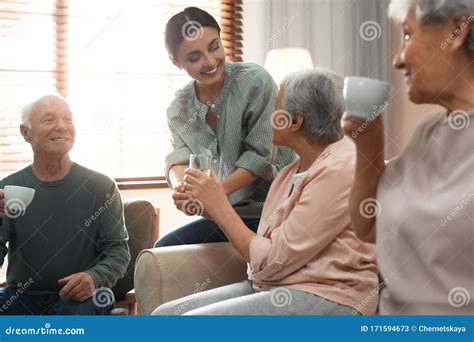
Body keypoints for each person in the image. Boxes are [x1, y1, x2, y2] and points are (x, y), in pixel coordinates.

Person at [152, 68, 379, 315]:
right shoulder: (288, 172)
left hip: (329, 295)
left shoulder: (341, 169)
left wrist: (219, 203)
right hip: (273, 285)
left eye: (275, 107)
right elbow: (265, 254)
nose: (266, 116)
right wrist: (208, 204)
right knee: (164, 315)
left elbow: (271, 261)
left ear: (295, 121)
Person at [344, 0, 473, 314]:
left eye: (406, 35)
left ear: (457, 30)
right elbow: (367, 226)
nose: (398, 60)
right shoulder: (429, 134)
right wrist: (369, 144)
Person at [155, 7, 295, 247]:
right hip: (222, 214)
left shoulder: (255, 82)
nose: (210, 62)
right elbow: (179, 158)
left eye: (214, 47)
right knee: (163, 249)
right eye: (194, 57)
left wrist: (214, 194)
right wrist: (183, 188)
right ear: (176, 62)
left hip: (272, 211)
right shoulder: (178, 108)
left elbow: (261, 157)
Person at [0, 95, 131, 315]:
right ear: (25, 132)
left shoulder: (102, 186)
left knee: (71, 316)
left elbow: (118, 251)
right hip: (21, 296)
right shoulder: (9, 188)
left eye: (68, 119)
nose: (61, 127)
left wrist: (94, 277)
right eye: (49, 120)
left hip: (83, 298)